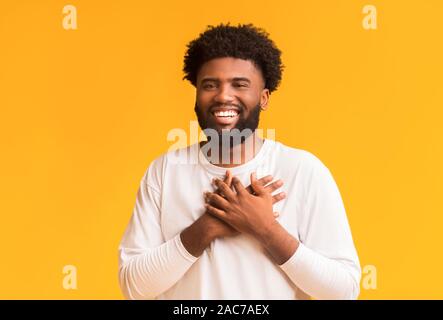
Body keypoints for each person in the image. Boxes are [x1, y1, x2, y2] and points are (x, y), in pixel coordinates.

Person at [118, 23, 361, 300]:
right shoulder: (165, 171)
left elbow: (344, 291)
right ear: (196, 95)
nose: (223, 96)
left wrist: (266, 230)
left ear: (264, 97)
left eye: (239, 84)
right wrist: (208, 226)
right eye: (210, 85)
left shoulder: (303, 171)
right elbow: (134, 287)